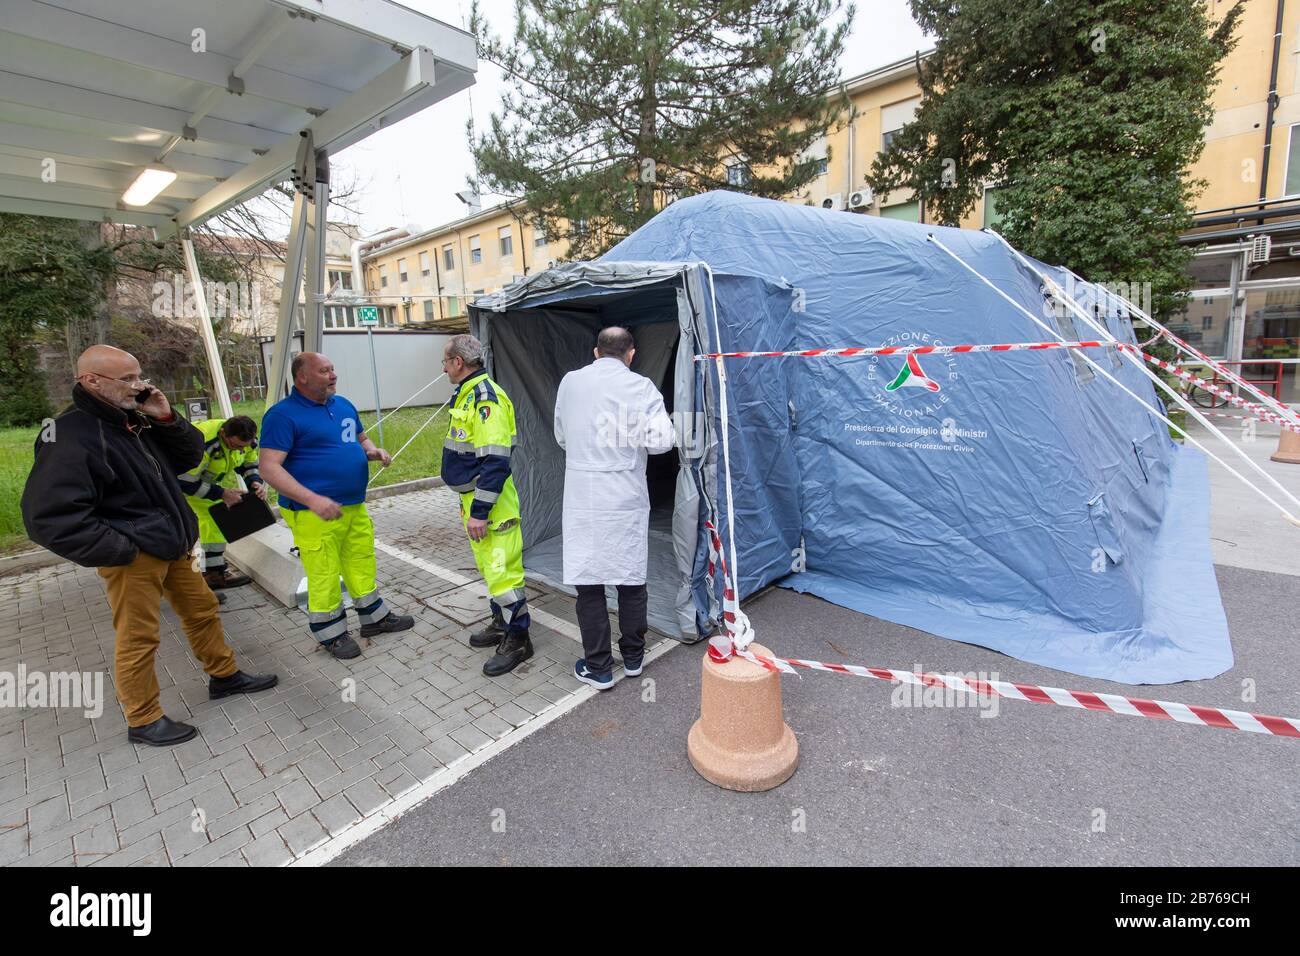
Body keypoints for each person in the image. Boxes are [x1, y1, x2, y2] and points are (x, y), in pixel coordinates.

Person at [21, 345, 278, 747]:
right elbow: (48, 517)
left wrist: (166, 417)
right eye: (127, 379)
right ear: (90, 381)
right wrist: (122, 549)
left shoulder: (134, 421)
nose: (138, 385)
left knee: (203, 610)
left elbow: (187, 456)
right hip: (134, 553)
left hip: (172, 543)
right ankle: (142, 718)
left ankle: (225, 677)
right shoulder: (69, 433)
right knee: (139, 635)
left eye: (140, 376)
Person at [257, 352, 414, 659]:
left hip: (353, 504)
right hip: (312, 511)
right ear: (302, 377)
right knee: (324, 572)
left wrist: (372, 451)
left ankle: (374, 618)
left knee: (360, 559)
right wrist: (312, 499)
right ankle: (331, 634)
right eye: (324, 371)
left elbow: (359, 436)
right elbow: (269, 468)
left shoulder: (342, 404)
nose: (333, 375)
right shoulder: (282, 415)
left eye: (332, 369)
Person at [554, 326, 675, 689]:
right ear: (631, 354)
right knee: (630, 577)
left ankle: (599, 667)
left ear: (596, 352)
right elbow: (664, 442)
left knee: (589, 583)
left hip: (583, 496)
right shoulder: (642, 388)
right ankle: (634, 659)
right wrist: (626, 436)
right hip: (625, 495)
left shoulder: (571, 383)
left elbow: (561, 435)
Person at [440, 334, 533, 676]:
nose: (444, 368)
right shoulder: (468, 394)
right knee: (493, 572)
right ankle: (501, 622)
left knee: (502, 574)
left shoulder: (485, 399)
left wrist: (479, 512)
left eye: (445, 362)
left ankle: (519, 637)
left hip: (490, 506)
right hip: (477, 501)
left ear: (458, 363)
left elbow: (495, 461)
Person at [176, 415, 266, 590]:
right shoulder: (201, 443)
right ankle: (201, 579)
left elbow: (249, 463)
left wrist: (254, 481)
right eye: (236, 446)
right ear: (223, 433)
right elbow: (184, 482)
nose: (240, 449)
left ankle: (213, 574)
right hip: (176, 482)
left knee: (213, 521)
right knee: (209, 519)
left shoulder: (248, 440)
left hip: (198, 480)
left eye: (244, 446)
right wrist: (222, 493)